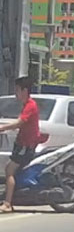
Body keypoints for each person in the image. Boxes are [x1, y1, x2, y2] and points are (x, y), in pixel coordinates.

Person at [0, 77, 40, 213]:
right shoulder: (26, 105)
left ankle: (7, 203)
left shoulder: (30, 105)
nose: (15, 93)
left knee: (9, 170)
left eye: (17, 90)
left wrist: (2, 128)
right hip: (22, 144)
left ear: (25, 90)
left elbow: (19, 123)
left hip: (25, 145)